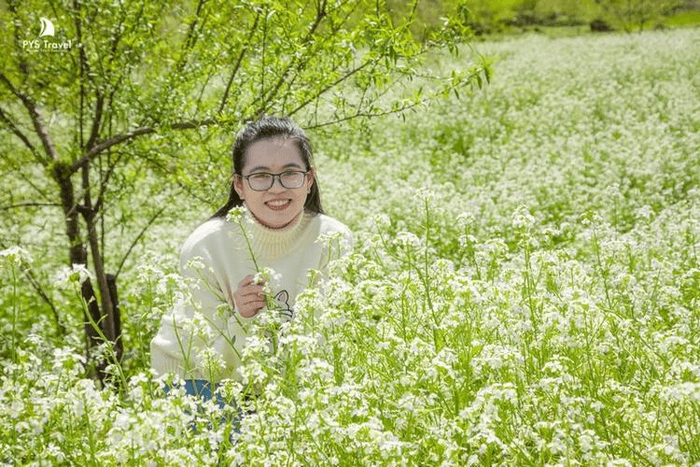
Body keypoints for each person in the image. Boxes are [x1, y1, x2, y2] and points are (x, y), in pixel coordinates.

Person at [150, 116, 352, 411]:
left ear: (309, 179)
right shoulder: (205, 245)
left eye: (290, 173)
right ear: (240, 185)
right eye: (260, 176)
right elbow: (209, 365)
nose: (276, 188)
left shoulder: (332, 238)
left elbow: (327, 342)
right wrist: (241, 319)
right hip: (199, 382)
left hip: (287, 386)